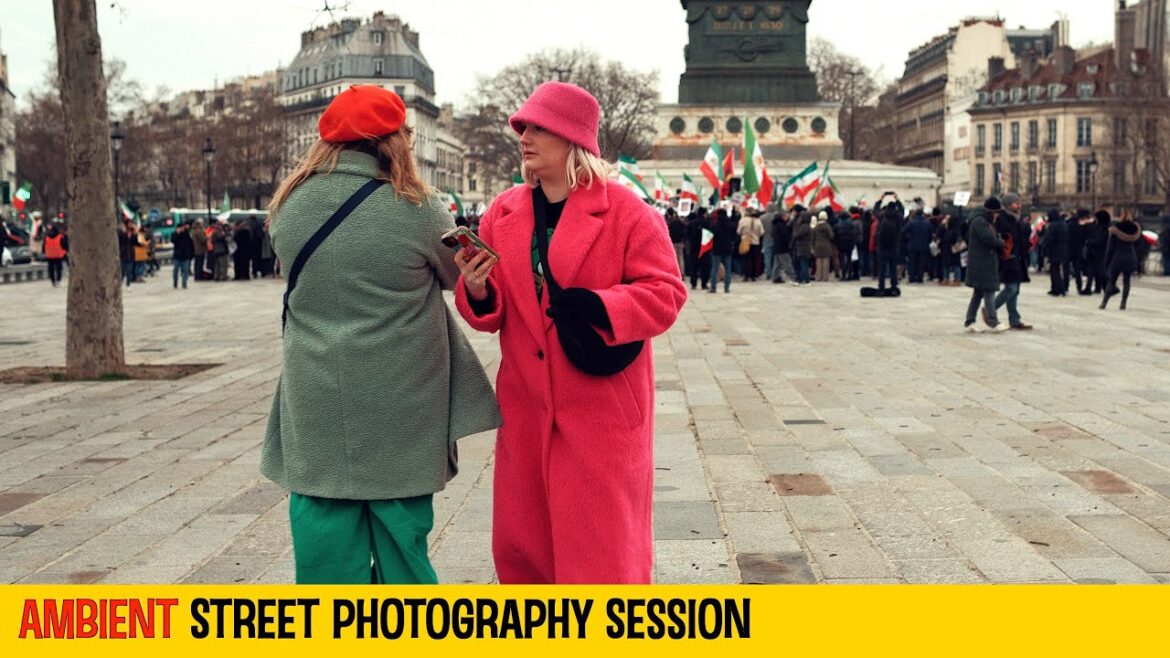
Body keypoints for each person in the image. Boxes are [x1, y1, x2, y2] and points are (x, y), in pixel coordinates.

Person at [261, 84, 500, 584]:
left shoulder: (289, 204)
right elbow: (462, 281)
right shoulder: (417, 206)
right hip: (401, 396)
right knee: (400, 539)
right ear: (393, 141)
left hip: (316, 388)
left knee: (323, 535)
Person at [452, 81, 686, 583]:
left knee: (601, 556)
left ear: (572, 137)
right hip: (526, 410)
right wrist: (476, 290)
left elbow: (667, 294)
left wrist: (601, 305)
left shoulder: (627, 212)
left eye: (538, 127)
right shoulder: (503, 212)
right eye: (523, 127)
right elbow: (490, 311)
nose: (524, 136)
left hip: (601, 411)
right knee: (525, 553)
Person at [965, 198, 1008, 332]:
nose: (998, 215)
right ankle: (993, 322)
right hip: (982, 263)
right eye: (996, 212)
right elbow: (989, 239)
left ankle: (970, 321)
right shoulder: (980, 222)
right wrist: (1001, 242)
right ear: (991, 212)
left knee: (978, 293)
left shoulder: (984, 221)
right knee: (989, 291)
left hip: (983, 262)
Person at [993, 193, 1033, 330]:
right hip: (1008, 258)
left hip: (1019, 257)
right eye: (1016, 203)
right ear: (1009, 205)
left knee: (1015, 291)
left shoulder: (1018, 219)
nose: (1019, 205)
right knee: (1011, 288)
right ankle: (990, 309)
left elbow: (1023, 237)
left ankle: (1014, 320)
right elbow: (1004, 237)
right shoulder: (1003, 219)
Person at [1099, 210, 1141, 310]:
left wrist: (1107, 260)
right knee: (1127, 281)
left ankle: (1104, 302)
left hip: (1118, 256)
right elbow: (1139, 246)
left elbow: (1110, 247)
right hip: (1130, 256)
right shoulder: (1135, 229)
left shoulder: (1115, 229)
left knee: (1112, 280)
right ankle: (1123, 303)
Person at [709, 206, 738, 292]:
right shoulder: (730, 225)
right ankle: (726, 287)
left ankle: (713, 287)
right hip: (727, 249)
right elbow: (734, 236)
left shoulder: (713, 225)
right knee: (728, 269)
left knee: (714, 268)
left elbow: (710, 237)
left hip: (716, 249)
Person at [1042, 209, 1070, 296]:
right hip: (1064, 249)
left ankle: (1057, 289)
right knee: (1059, 270)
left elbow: (1049, 239)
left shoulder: (1053, 226)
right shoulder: (1063, 224)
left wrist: (1044, 245)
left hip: (1054, 250)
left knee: (1054, 270)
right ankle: (1061, 288)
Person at [875, 204, 900, 293]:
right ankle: (893, 286)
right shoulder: (898, 217)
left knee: (882, 268)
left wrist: (880, 200)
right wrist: (897, 200)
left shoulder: (882, 216)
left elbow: (876, 210)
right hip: (893, 246)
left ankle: (881, 287)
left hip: (882, 247)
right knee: (893, 268)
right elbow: (902, 209)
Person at [685, 208, 712, 290]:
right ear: (704, 213)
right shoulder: (708, 223)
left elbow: (687, 234)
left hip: (694, 247)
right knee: (705, 266)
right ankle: (704, 283)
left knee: (694, 266)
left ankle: (693, 283)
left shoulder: (692, 223)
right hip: (705, 247)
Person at [737, 208, 764, 281]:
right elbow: (762, 232)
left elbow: (738, 231)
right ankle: (753, 276)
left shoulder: (742, 221)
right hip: (755, 242)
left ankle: (746, 275)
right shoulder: (758, 221)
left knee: (746, 259)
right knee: (754, 259)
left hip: (745, 241)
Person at [789, 211, 813, 286]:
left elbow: (797, 235)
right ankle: (799, 279)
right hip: (801, 247)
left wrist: (794, 232)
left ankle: (806, 280)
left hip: (803, 248)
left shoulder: (804, 226)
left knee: (803, 264)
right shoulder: (804, 226)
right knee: (799, 264)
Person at [811, 210, 835, 282]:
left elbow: (813, 237)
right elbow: (831, 236)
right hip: (826, 245)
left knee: (818, 262)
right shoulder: (827, 226)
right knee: (826, 262)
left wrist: (812, 246)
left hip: (817, 245)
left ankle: (818, 277)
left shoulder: (816, 227)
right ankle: (825, 277)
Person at [43, 222, 68, 287]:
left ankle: (53, 281)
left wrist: (44, 252)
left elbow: (44, 245)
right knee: (58, 268)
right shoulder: (60, 236)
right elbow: (65, 245)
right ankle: (58, 280)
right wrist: (66, 251)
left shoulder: (47, 237)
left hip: (49, 255)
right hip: (58, 255)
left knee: (51, 269)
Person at [171, 221, 194, 289]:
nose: (181, 229)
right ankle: (175, 283)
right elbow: (173, 240)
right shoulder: (174, 234)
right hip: (177, 256)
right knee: (175, 270)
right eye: (180, 228)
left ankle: (184, 284)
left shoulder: (186, 234)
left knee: (185, 270)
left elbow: (190, 244)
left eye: (182, 227)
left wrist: (191, 253)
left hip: (185, 255)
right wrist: (177, 233)